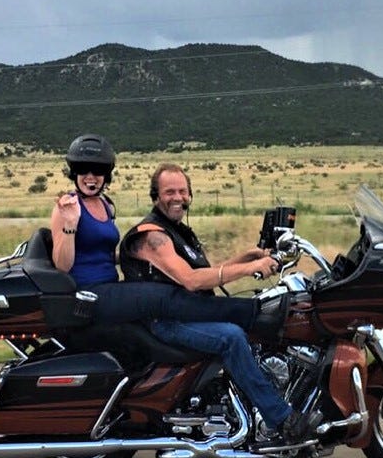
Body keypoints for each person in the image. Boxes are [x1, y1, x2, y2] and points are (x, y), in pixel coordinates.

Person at [119, 162, 309, 445]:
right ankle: (281, 418)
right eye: (169, 191)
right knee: (231, 337)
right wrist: (248, 269)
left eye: (183, 191)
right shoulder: (152, 236)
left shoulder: (179, 231)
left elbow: (207, 274)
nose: (177, 197)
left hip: (184, 311)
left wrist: (247, 257)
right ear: (156, 196)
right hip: (165, 321)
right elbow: (191, 280)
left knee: (253, 321)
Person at [49, 134, 277, 332]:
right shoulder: (68, 207)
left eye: (98, 170)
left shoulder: (105, 205)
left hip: (110, 286)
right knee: (161, 297)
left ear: (106, 175)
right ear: (74, 172)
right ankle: (255, 313)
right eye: (83, 169)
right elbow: (62, 266)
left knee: (161, 293)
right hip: (88, 295)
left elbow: (100, 253)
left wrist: (139, 254)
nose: (91, 176)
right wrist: (69, 225)